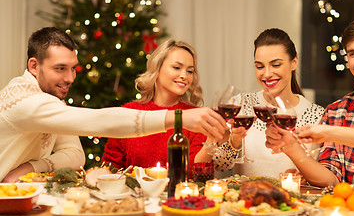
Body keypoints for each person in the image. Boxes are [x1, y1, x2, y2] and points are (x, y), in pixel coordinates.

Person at [0, 27, 227, 183]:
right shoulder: (23, 102)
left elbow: (74, 155)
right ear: (33, 66)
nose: (70, 78)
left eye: (73, 68)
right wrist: (177, 119)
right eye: (60, 68)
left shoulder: (51, 100)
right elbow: (97, 122)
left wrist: (29, 168)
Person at [198, 28, 324, 179]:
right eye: (259, 66)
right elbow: (220, 166)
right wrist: (234, 142)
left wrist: (304, 177)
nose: (267, 74)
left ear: (294, 63)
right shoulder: (239, 105)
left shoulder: (317, 115)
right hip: (246, 199)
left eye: (276, 65)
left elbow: (323, 177)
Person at [265, 18, 354, 186]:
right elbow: (332, 181)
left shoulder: (329, 128)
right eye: (353, 54)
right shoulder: (337, 111)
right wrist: (291, 147)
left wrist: (328, 132)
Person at [102, 39, 210, 173]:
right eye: (176, 68)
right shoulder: (129, 112)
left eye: (190, 71)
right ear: (157, 69)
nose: (184, 76)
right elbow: (110, 167)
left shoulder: (196, 117)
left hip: (180, 193)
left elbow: (195, 172)